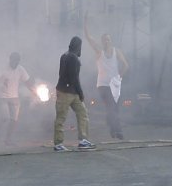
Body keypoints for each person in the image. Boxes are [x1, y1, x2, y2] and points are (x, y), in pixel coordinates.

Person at [84, 12, 129, 140]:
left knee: (114, 108)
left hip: (114, 84)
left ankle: (111, 126)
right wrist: (85, 22)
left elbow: (126, 65)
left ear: (111, 40)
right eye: (104, 39)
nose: (107, 41)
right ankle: (118, 131)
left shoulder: (117, 51)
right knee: (111, 106)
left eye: (108, 39)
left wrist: (119, 77)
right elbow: (88, 37)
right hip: (103, 85)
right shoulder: (99, 51)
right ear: (102, 41)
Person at [53, 36, 95, 151]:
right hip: (70, 92)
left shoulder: (64, 56)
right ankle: (59, 143)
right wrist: (81, 93)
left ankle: (82, 141)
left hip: (65, 91)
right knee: (69, 116)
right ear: (78, 46)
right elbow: (74, 78)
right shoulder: (74, 58)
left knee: (80, 114)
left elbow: (61, 74)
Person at [0, 52, 36, 146]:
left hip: (14, 96)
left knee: (14, 119)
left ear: (18, 61)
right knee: (5, 117)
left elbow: (27, 81)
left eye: (17, 61)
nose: (15, 63)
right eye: (13, 61)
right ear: (10, 60)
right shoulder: (3, 67)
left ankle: (8, 139)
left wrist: (34, 91)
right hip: (1, 96)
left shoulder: (20, 69)